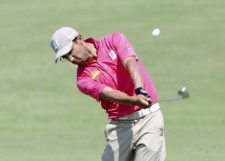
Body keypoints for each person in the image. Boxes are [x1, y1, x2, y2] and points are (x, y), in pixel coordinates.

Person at [50, 27, 166, 161]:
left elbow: (130, 62)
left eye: (70, 51)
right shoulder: (83, 79)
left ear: (80, 39)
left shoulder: (114, 40)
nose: (71, 58)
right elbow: (109, 93)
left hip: (149, 119)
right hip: (120, 127)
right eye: (65, 57)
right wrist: (134, 100)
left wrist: (140, 89)